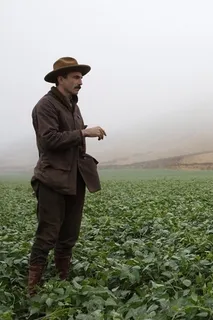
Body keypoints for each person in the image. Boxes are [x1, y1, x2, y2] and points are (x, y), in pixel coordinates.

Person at [28, 57, 107, 296]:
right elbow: (48, 139)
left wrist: (81, 136)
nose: (80, 81)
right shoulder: (46, 106)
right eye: (75, 77)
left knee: (69, 234)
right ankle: (32, 290)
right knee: (47, 234)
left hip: (74, 179)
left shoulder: (73, 105)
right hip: (52, 179)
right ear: (60, 79)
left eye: (81, 77)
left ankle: (62, 281)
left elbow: (72, 140)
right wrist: (83, 132)